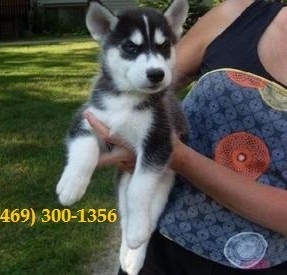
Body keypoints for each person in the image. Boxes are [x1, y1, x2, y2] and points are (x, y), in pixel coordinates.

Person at [85, 0, 287, 274]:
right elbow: (139, 86)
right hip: (155, 243)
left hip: (252, 263)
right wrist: (118, 137)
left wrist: (180, 158)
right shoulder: (238, 15)